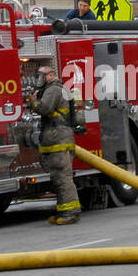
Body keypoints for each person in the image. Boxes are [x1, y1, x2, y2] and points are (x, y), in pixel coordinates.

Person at [27, 65, 82, 225]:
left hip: (58, 139)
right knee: (59, 177)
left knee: (62, 177)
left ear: (50, 75)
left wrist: (32, 101)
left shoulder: (53, 90)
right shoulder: (58, 88)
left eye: (42, 76)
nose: (39, 79)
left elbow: (44, 108)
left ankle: (71, 213)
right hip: (59, 138)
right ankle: (63, 211)